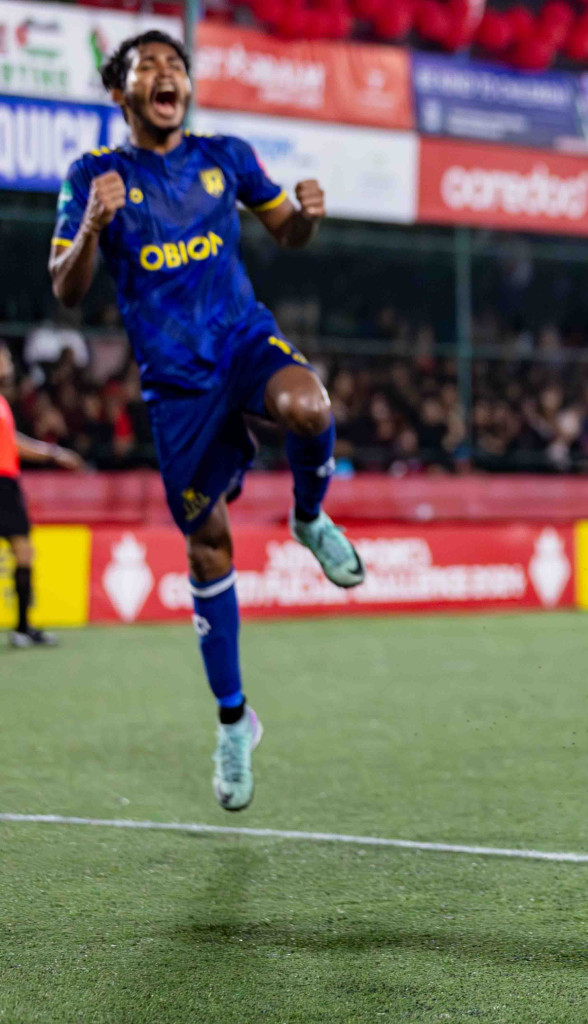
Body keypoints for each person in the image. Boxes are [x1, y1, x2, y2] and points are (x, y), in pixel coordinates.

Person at [47, 30, 366, 812]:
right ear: (119, 93)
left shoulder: (228, 155)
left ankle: (309, 517)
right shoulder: (94, 177)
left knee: (309, 406)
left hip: (241, 344)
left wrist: (309, 217)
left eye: (176, 66)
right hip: (177, 385)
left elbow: (286, 229)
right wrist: (91, 226)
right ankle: (234, 724)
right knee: (208, 545)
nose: (167, 75)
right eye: (146, 68)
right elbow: (64, 288)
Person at [0, 346, 85, 648]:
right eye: (4, 357)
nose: (9, 362)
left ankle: (23, 627)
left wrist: (53, 453)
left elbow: (12, 443)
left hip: (7, 484)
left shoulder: (2, 403)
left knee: (24, 553)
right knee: (22, 552)